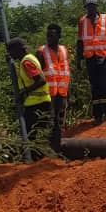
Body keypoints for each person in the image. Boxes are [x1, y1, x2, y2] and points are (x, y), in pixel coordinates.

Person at [7, 37, 51, 153]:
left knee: (29, 133)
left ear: (18, 50)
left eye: (11, 51)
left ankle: (35, 158)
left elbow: (41, 80)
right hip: (38, 102)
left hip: (37, 103)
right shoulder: (28, 59)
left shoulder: (26, 62)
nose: (10, 54)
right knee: (35, 133)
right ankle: (37, 157)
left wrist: (24, 92)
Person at [76, 0, 106, 123]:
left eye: (92, 6)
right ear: (86, 8)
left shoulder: (105, 18)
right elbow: (80, 41)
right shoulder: (82, 21)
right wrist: (78, 58)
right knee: (95, 87)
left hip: (103, 56)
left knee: (104, 85)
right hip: (90, 58)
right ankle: (97, 115)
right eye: (88, 7)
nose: (90, 9)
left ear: (96, 7)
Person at [37, 24, 71, 153]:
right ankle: (45, 151)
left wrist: (69, 93)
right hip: (48, 95)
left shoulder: (63, 50)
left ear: (59, 36)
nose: (49, 38)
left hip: (62, 93)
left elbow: (67, 72)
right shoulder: (41, 52)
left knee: (60, 122)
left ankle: (57, 148)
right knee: (49, 122)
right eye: (48, 35)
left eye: (52, 35)